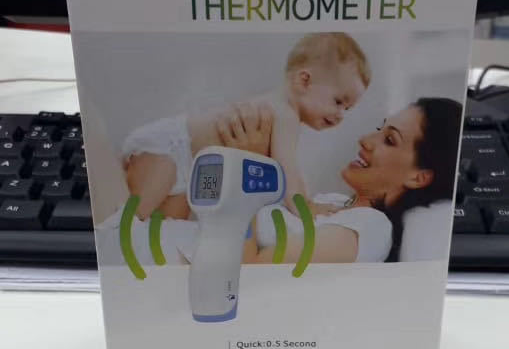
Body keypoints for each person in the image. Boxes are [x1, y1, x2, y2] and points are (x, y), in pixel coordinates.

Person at [123, 32, 371, 221]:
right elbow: (287, 171)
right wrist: (306, 206)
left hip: (191, 169)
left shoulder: (284, 112)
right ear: (304, 81)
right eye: (338, 102)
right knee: (135, 216)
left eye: (347, 108)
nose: (341, 115)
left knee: (167, 228)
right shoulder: (285, 114)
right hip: (170, 146)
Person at [217, 96, 462, 264]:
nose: (365, 140)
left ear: (418, 177)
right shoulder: (332, 201)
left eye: (389, 140)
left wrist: (247, 169)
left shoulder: (370, 228)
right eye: (380, 129)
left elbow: (248, 275)